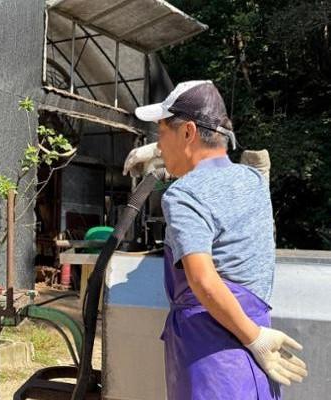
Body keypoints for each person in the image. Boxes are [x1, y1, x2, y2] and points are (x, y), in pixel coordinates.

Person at [125, 80, 307, 399]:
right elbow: (217, 175)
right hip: (253, 345)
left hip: (212, 356)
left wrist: (254, 339)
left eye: (161, 134)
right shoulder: (252, 180)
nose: (159, 144)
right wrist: (165, 155)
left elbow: (203, 281)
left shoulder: (184, 195)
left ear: (188, 133)